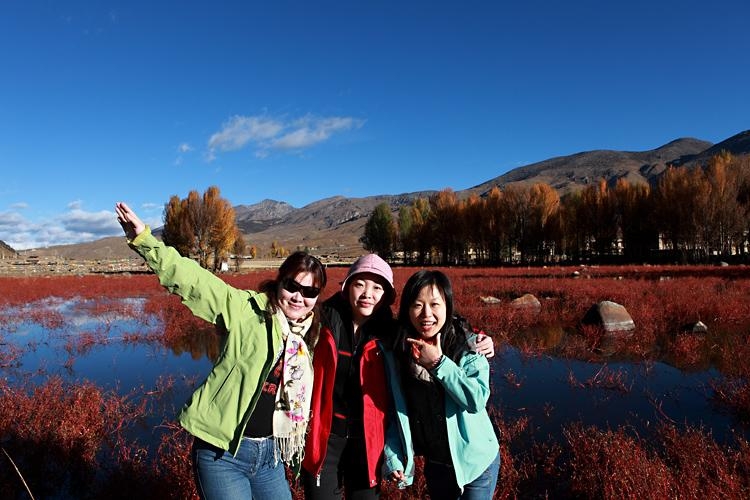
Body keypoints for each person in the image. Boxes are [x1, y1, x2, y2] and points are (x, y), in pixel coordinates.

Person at [114, 202, 325, 500]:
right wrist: (145, 241)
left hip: (272, 454)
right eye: (293, 285)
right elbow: (195, 281)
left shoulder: (310, 336)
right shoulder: (246, 309)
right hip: (222, 453)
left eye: (310, 292)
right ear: (280, 282)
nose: (298, 297)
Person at [302, 255, 495, 499]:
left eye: (377, 287)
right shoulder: (321, 322)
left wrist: (477, 338)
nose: (367, 294)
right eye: (360, 284)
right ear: (346, 286)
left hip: (370, 443)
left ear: (387, 296)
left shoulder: (395, 335)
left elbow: (472, 396)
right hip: (325, 438)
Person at [384, 270, 500, 500]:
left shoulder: (468, 346)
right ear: (407, 309)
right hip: (436, 464)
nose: (427, 314)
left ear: (448, 306)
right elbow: (394, 413)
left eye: (435, 304)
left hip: (476, 463)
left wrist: (438, 364)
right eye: (418, 305)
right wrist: (393, 458)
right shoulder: (398, 353)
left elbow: (476, 400)